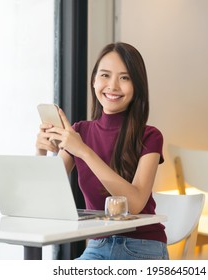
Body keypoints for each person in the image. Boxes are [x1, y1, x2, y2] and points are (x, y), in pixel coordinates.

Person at [36, 42, 168, 260]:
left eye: (124, 78)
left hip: (142, 246)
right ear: (94, 80)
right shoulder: (79, 132)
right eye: (105, 75)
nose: (113, 86)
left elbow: (134, 204)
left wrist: (84, 151)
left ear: (137, 86)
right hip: (98, 245)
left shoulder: (150, 136)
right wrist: (40, 151)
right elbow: (43, 195)